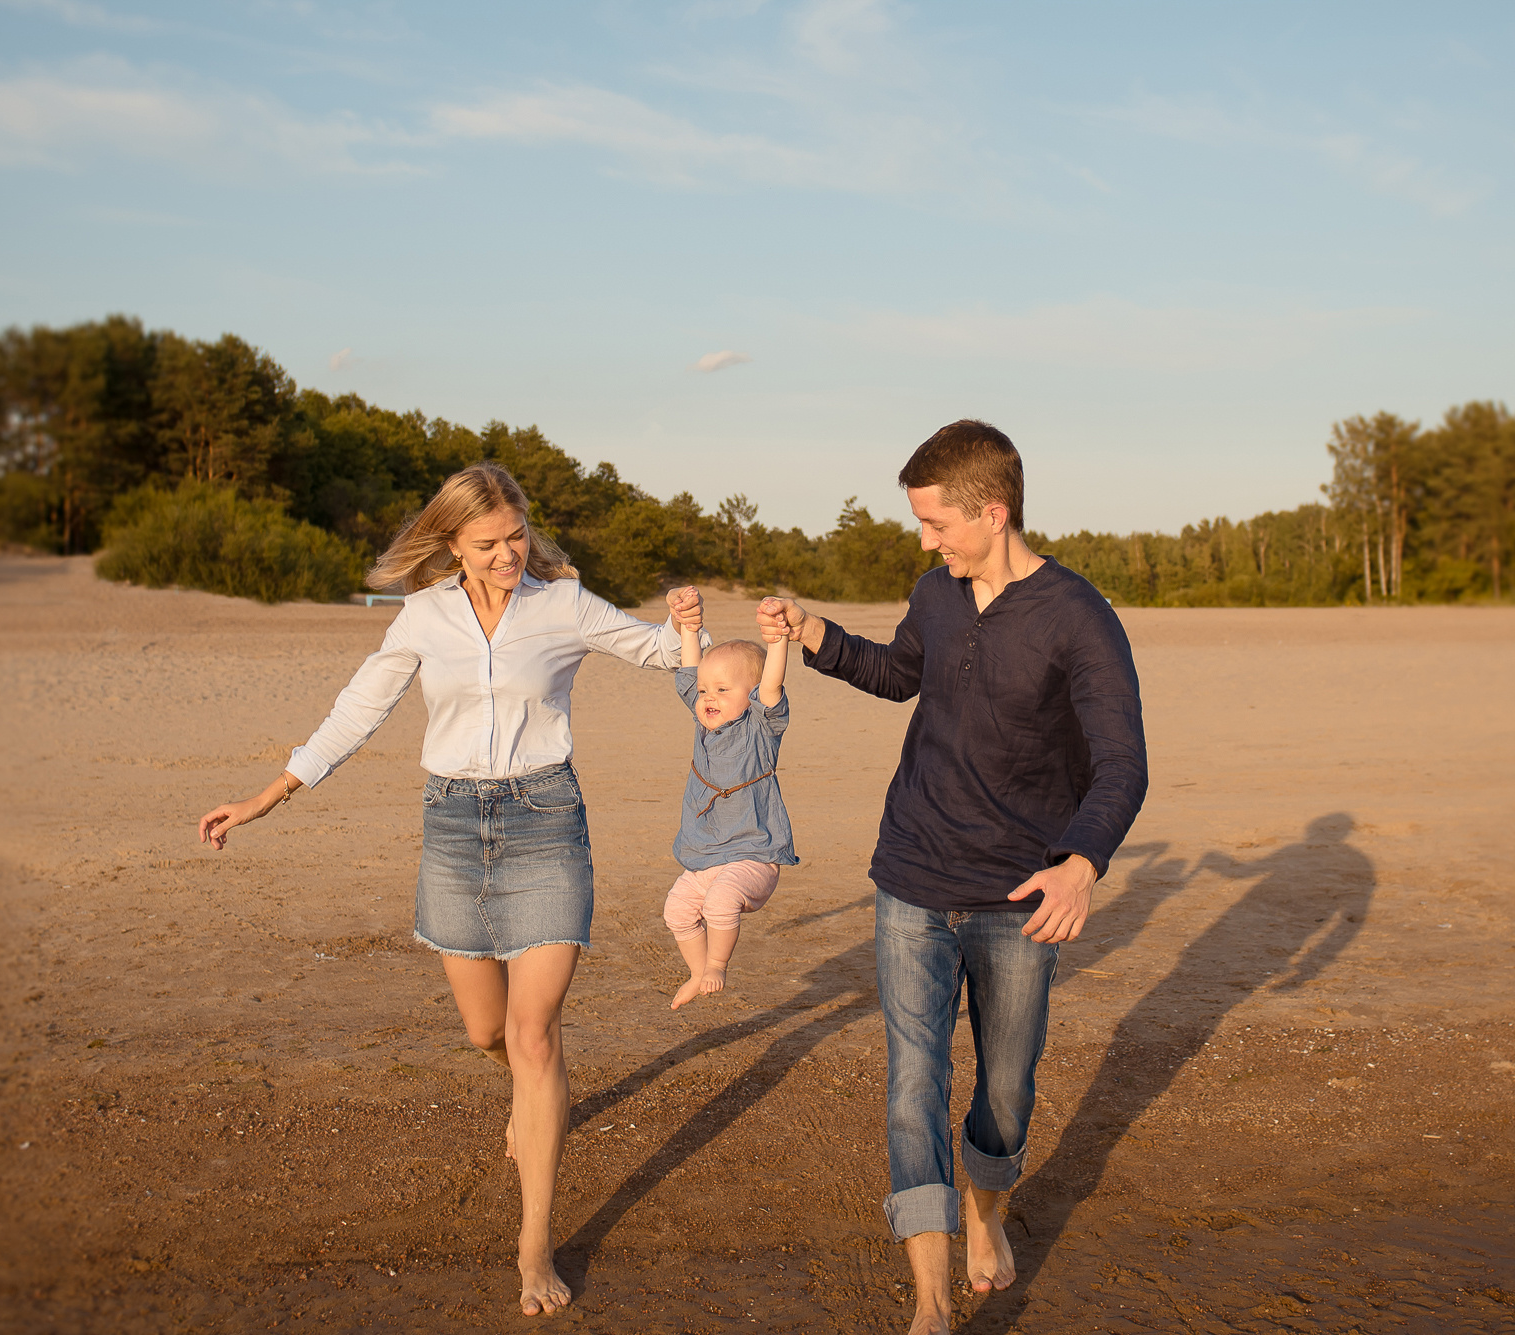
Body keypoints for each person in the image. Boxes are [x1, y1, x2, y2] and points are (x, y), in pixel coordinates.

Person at [197, 461, 704, 1318]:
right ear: (452, 544)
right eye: (489, 543)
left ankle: (534, 1242)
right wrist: (269, 793)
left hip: (547, 820)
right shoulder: (423, 615)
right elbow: (360, 707)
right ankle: (529, 1092)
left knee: (533, 1035)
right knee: (485, 1032)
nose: (509, 553)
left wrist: (686, 624)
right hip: (454, 828)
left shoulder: (564, 604)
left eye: (517, 536)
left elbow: (658, 653)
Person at [758, 420, 1148, 1335]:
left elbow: (1122, 763)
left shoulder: (1078, 617)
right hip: (911, 877)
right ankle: (931, 1305)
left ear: (993, 511)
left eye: (936, 523)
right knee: (912, 1085)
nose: (925, 541)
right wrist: (816, 632)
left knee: (1006, 1096)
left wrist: (1082, 864)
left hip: (1020, 896)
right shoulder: (936, 593)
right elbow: (901, 675)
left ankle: (988, 1211)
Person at [661, 594, 798, 1009]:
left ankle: (717, 965)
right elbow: (689, 673)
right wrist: (688, 628)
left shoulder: (761, 727)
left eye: (722, 689)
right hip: (706, 856)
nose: (708, 697)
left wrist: (777, 642)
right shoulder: (705, 723)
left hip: (752, 855)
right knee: (677, 911)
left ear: (752, 695)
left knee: (720, 903)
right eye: (705, 691)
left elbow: (771, 684)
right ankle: (697, 972)